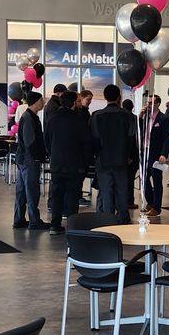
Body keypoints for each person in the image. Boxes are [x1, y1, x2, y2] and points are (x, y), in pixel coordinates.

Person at [47, 90, 94, 234]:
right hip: (75, 165)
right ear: (73, 103)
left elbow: (47, 141)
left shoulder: (52, 120)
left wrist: (53, 156)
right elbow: (87, 144)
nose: (80, 103)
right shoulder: (79, 121)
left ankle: (55, 225)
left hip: (57, 165)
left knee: (57, 195)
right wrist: (86, 163)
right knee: (73, 196)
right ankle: (72, 226)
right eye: (78, 101)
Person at [90, 84, 133, 222]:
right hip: (122, 158)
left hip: (103, 159)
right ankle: (123, 218)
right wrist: (130, 156)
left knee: (106, 190)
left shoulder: (96, 115)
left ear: (105, 97)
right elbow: (132, 138)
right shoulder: (127, 115)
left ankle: (108, 219)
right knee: (122, 190)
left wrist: (96, 154)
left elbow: (94, 138)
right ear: (119, 97)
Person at [13, 90, 47, 230]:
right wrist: (39, 156)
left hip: (23, 158)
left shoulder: (30, 117)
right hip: (29, 160)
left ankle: (19, 219)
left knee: (21, 191)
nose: (43, 103)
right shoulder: (29, 118)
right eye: (41, 100)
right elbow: (30, 141)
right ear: (35, 102)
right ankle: (34, 221)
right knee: (32, 190)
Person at [140, 94, 169, 220]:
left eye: (151, 103)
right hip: (145, 151)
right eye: (147, 102)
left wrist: (164, 153)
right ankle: (151, 201)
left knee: (157, 180)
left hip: (156, 153)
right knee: (143, 178)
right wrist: (140, 117)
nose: (148, 105)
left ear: (157, 104)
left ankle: (157, 207)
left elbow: (167, 137)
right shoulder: (145, 117)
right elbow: (139, 131)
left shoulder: (163, 118)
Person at [122, 98, 139, 207]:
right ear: (132, 107)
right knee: (130, 179)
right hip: (132, 153)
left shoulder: (120, 117)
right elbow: (133, 138)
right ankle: (129, 201)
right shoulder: (134, 118)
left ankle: (121, 201)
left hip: (121, 153)